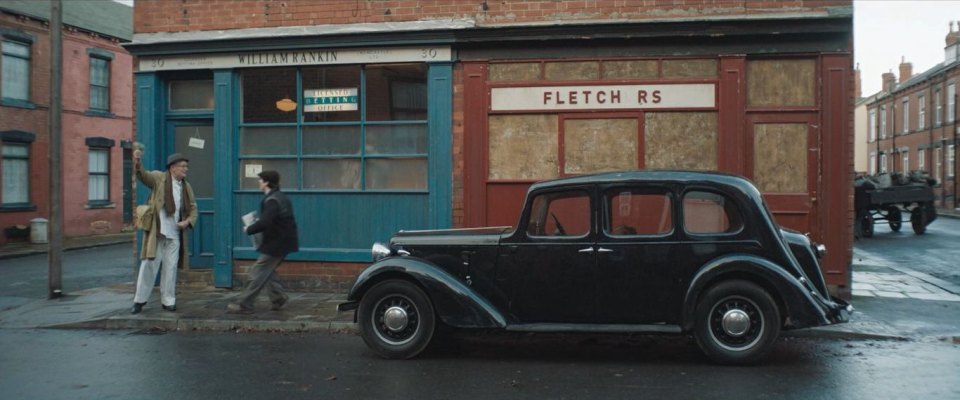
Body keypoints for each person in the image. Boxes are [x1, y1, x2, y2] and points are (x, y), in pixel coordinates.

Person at [131, 151, 197, 314]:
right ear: (173, 168)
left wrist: (187, 221)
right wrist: (138, 162)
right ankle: (139, 301)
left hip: (175, 234)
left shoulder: (186, 186)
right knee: (149, 266)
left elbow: (194, 208)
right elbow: (143, 175)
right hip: (158, 232)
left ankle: (168, 301)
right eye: (183, 166)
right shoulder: (159, 178)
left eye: (186, 166)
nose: (186, 169)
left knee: (171, 268)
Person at [228, 170, 299, 313]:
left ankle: (245, 304)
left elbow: (266, 222)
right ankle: (278, 298)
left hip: (277, 243)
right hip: (282, 242)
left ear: (266, 182)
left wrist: (249, 228)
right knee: (268, 271)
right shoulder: (279, 197)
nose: (258, 182)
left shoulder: (272, 200)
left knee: (258, 272)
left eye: (260, 180)